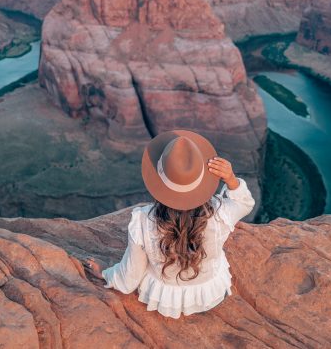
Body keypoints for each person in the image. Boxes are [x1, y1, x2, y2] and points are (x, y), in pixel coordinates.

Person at [83, 129, 255, 319]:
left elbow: (130, 278)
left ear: (159, 182)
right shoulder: (220, 213)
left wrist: (106, 273)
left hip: (165, 298)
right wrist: (230, 179)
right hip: (211, 293)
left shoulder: (142, 221)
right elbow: (244, 203)